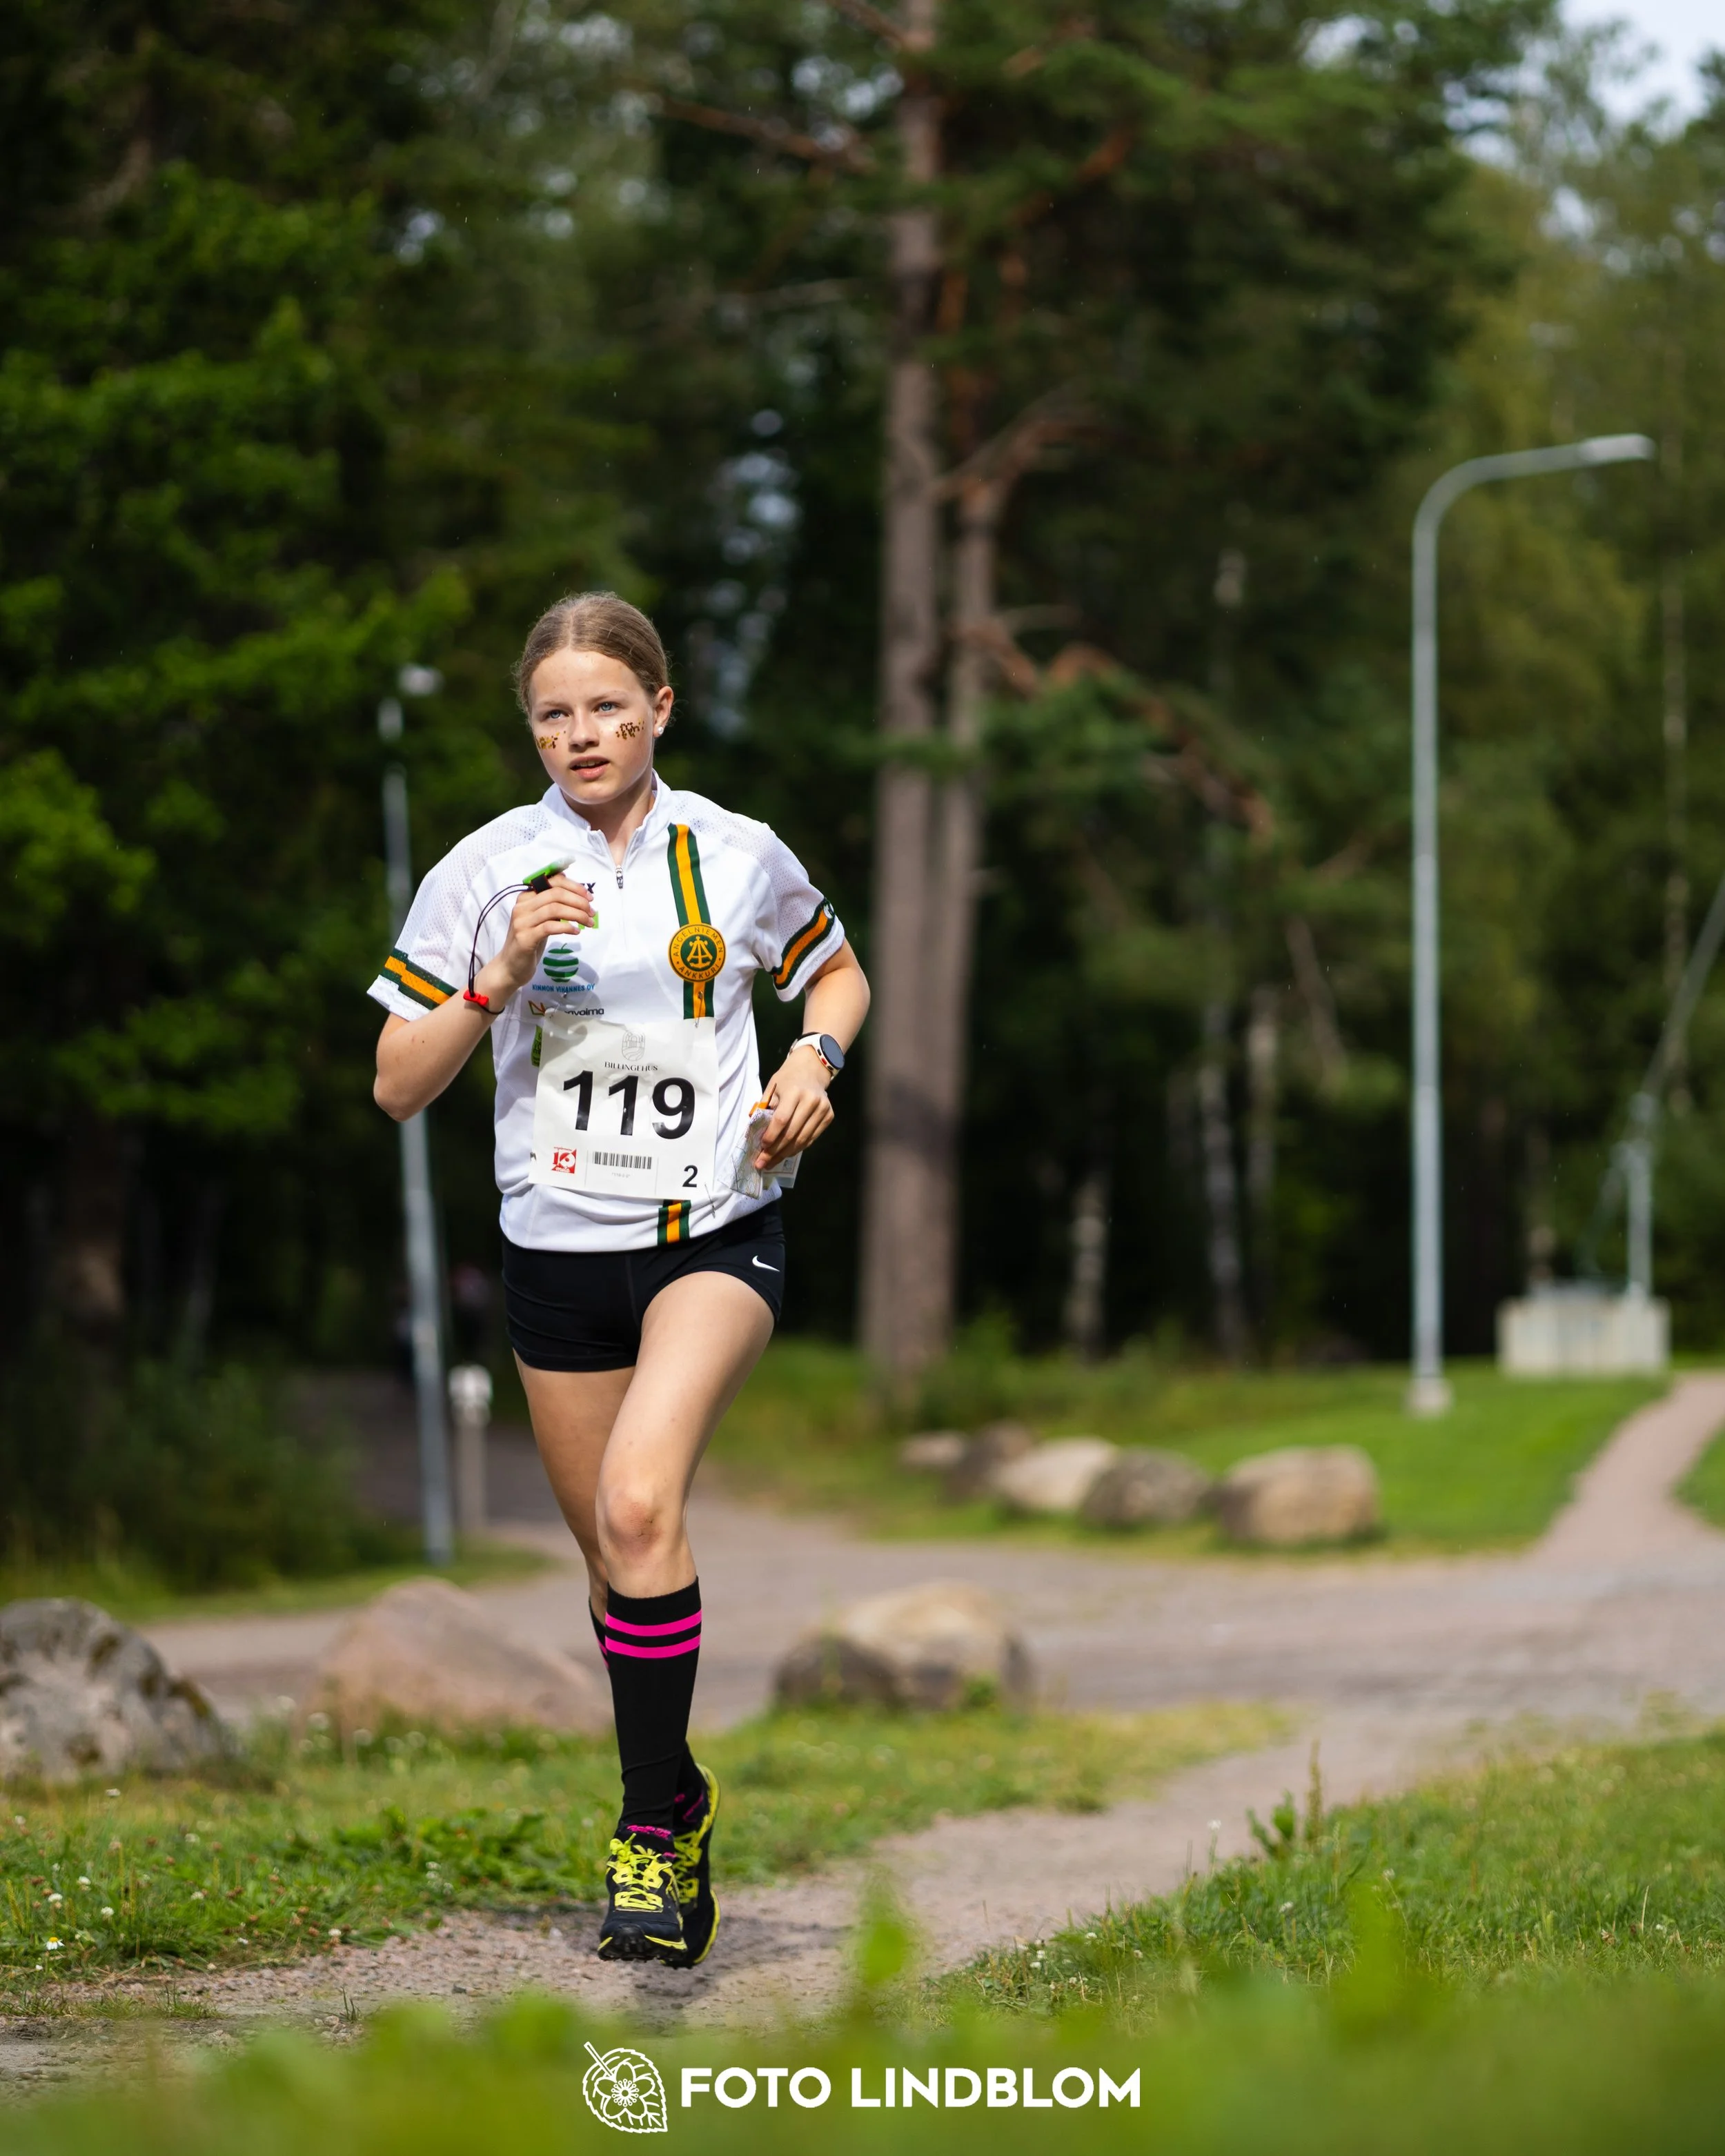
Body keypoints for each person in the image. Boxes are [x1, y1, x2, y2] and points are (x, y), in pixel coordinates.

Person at [369, 592, 869, 1970]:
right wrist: (498, 972)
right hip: (555, 1252)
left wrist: (809, 1062)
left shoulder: (736, 849)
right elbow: (395, 1086)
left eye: (603, 705)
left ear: (659, 706)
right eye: (551, 714)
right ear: (528, 730)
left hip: (714, 1225)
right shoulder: (485, 867)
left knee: (645, 1504)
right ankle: (683, 1793)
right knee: (616, 1564)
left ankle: (646, 1836)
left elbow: (836, 977)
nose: (578, 734)